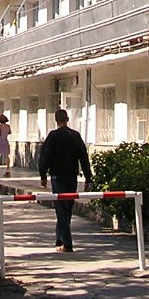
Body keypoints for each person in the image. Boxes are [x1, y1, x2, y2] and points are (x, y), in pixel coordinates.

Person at [38, 108, 93, 253]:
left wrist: (43, 175)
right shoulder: (75, 136)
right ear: (67, 119)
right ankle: (59, 238)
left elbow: (45, 156)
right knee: (66, 207)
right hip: (71, 177)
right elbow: (84, 157)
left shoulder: (53, 136)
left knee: (61, 208)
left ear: (56, 120)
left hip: (58, 177)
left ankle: (67, 244)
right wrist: (88, 177)